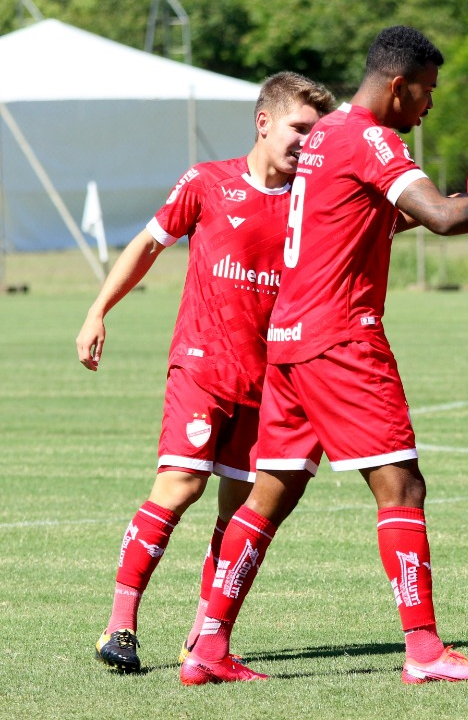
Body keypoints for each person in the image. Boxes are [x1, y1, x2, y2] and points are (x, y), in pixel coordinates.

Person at [179, 26, 468, 686]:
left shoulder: (325, 135)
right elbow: (445, 217)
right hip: (342, 339)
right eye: (427, 93)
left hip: (289, 342)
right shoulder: (370, 138)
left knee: (269, 495)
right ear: (400, 85)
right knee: (402, 487)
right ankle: (423, 650)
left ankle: (208, 646)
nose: (429, 107)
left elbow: (370, 216)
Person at [75, 72, 335, 673]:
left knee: (239, 513)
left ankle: (203, 638)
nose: (307, 142)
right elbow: (146, 245)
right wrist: (97, 311)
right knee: (180, 486)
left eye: (316, 133)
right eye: (299, 129)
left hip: (273, 384)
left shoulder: (313, 200)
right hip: (202, 366)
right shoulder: (208, 182)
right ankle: (119, 626)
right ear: (263, 122)